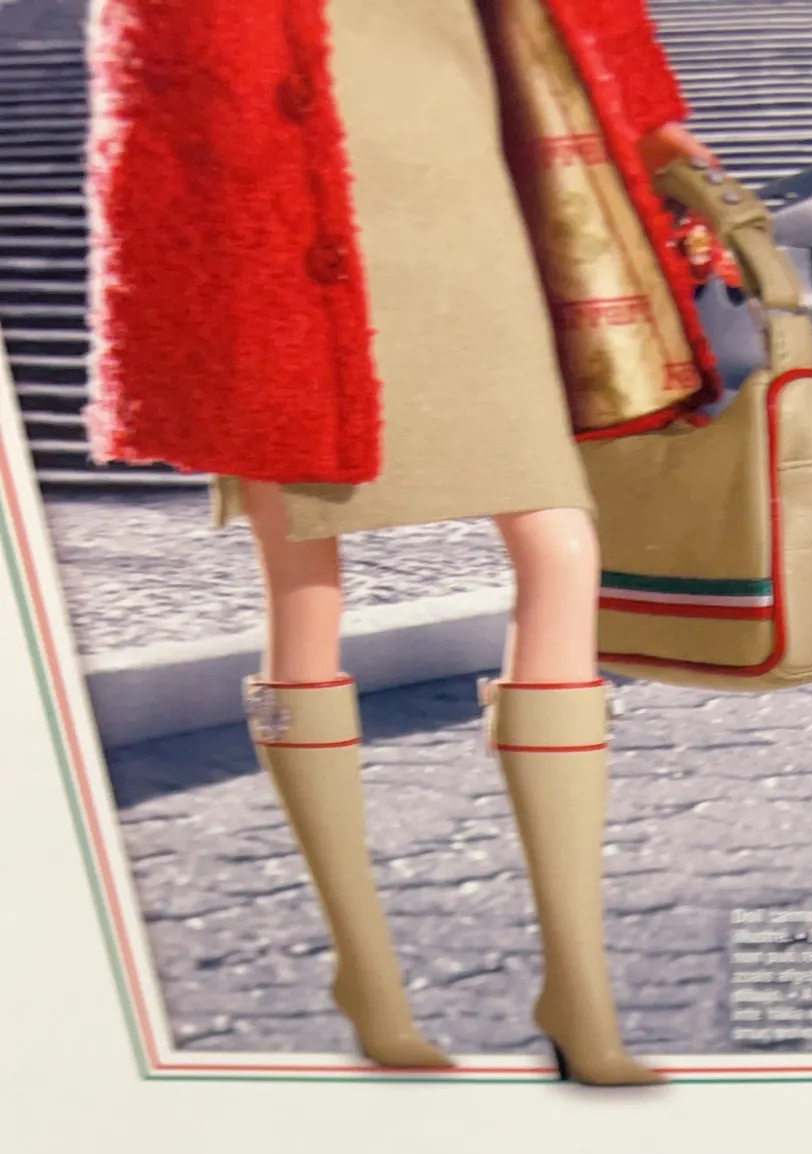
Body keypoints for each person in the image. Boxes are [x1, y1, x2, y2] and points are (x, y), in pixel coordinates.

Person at [85, 0, 721, 1082]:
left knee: (561, 543)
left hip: (475, 213)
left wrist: (656, 124)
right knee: (305, 586)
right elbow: (154, 74)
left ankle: (578, 985)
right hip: (276, 225)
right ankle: (369, 977)